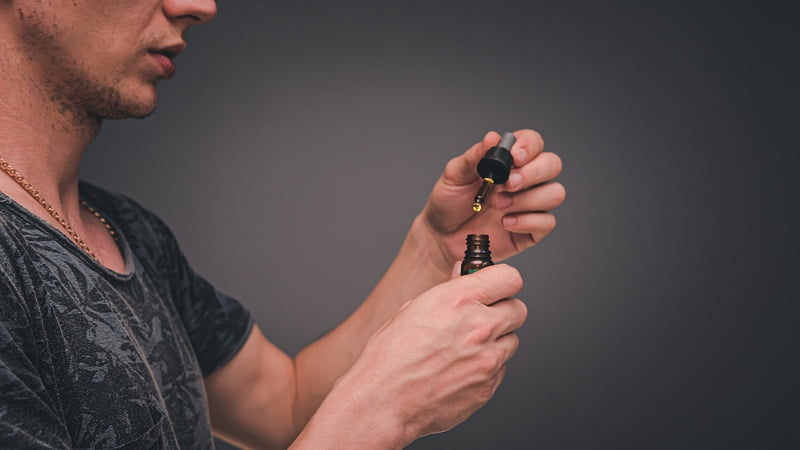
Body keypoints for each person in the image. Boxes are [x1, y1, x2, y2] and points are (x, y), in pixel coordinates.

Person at [0, 1, 565, 448]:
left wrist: (434, 249)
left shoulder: (126, 231)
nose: (200, 5)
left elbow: (287, 410)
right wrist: (381, 412)